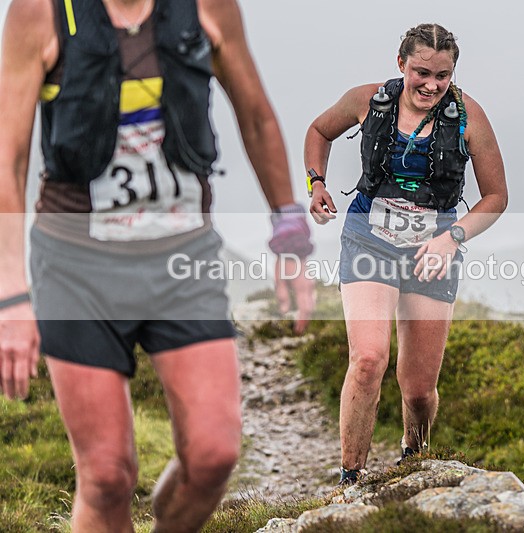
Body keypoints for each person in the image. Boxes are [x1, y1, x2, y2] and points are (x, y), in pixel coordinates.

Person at [0, 0, 314, 530]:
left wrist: (290, 234)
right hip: (76, 268)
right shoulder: (40, 12)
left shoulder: (209, 7)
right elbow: (8, 156)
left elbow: (256, 116)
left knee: (213, 455)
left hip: (183, 260)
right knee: (107, 475)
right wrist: (11, 290)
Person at [304, 23, 508, 484]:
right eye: (421, 73)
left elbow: (495, 198)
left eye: (442, 75)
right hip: (368, 239)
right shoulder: (367, 100)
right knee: (369, 359)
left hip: (432, 251)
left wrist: (452, 237)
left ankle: (413, 462)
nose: (431, 85)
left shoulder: (468, 117)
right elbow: (319, 130)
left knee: (418, 390)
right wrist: (316, 182)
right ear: (401, 65)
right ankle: (350, 478)